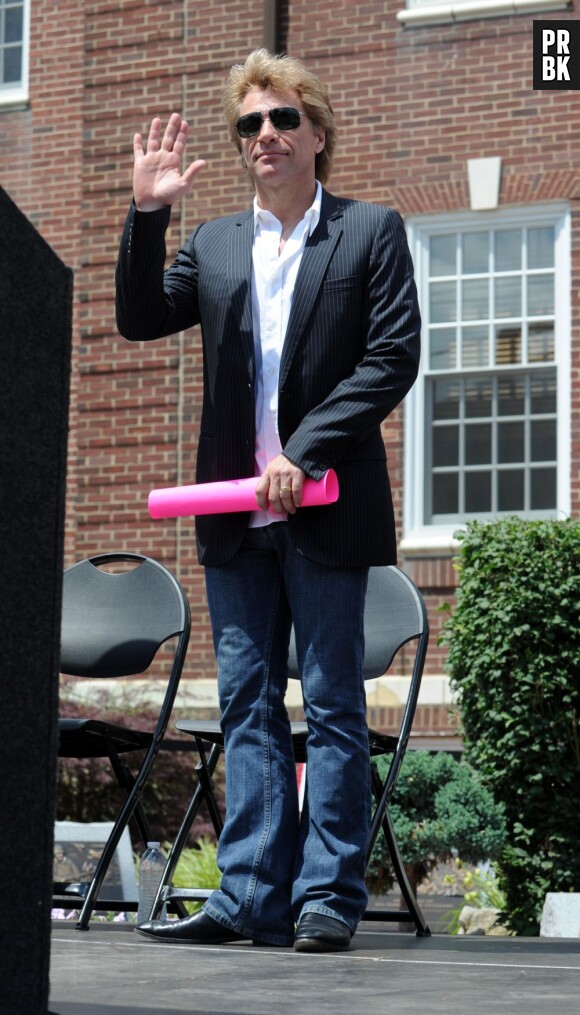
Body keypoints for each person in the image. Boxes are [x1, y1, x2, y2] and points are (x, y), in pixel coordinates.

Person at [116, 48, 421, 952]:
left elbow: (391, 358)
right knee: (247, 698)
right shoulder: (212, 243)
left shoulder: (369, 231)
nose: (266, 136)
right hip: (233, 515)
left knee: (329, 699)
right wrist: (146, 213)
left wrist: (306, 448)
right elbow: (137, 316)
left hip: (327, 504)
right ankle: (249, 892)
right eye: (250, 124)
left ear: (317, 135)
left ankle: (329, 895)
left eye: (283, 119)